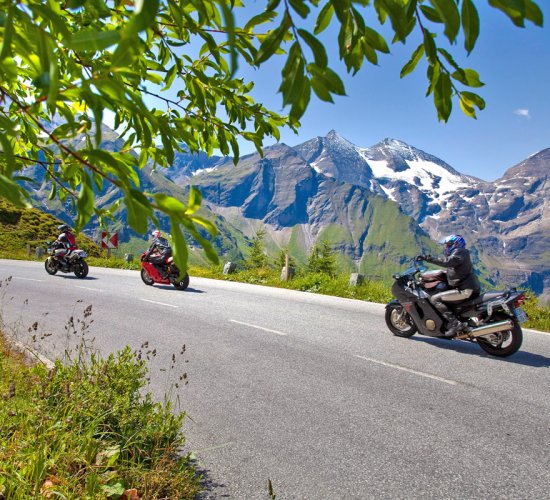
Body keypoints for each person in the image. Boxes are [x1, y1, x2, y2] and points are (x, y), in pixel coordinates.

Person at [417, 234, 481, 337]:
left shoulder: (460, 252)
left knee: (435, 299)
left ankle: (455, 324)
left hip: (465, 290)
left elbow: (447, 262)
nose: (446, 247)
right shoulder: (462, 254)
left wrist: (427, 258)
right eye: (446, 245)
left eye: (448, 245)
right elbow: (454, 269)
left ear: (456, 244)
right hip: (468, 288)